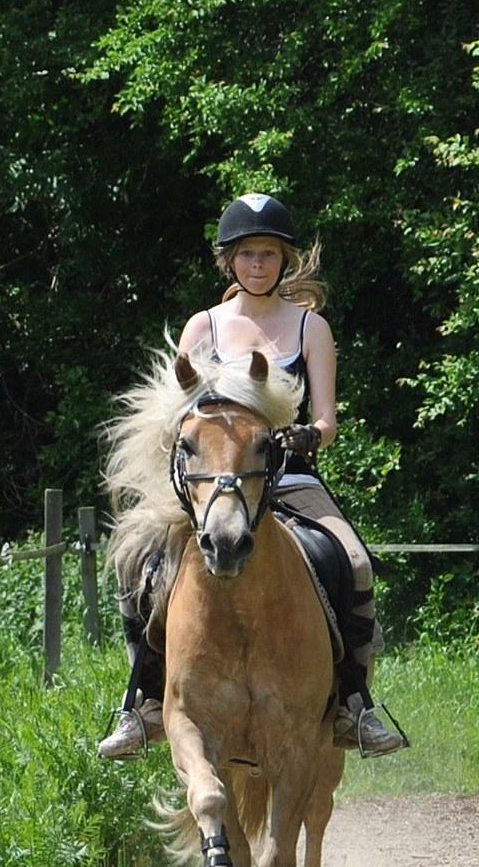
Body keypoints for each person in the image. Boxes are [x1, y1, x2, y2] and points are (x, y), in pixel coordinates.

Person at [99, 192, 405, 759]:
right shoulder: (202, 327)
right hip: (209, 489)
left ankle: (354, 705)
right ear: (229, 262)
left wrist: (311, 434)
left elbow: (326, 418)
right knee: (135, 563)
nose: (258, 265)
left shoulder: (310, 327)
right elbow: (177, 416)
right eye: (247, 255)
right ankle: (140, 703)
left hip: (288, 478)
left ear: (284, 260)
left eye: (267, 254)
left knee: (356, 563)